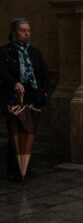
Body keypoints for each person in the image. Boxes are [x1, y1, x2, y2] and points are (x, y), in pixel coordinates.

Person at [0, 18, 49, 182]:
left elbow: (44, 73)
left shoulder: (35, 52)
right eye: (23, 30)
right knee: (15, 132)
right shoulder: (4, 52)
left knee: (29, 133)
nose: (27, 33)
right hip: (13, 96)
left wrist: (44, 90)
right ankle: (14, 170)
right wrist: (14, 83)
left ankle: (26, 167)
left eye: (28, 30)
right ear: (14, 33)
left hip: (32, 95)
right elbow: (2, 72)